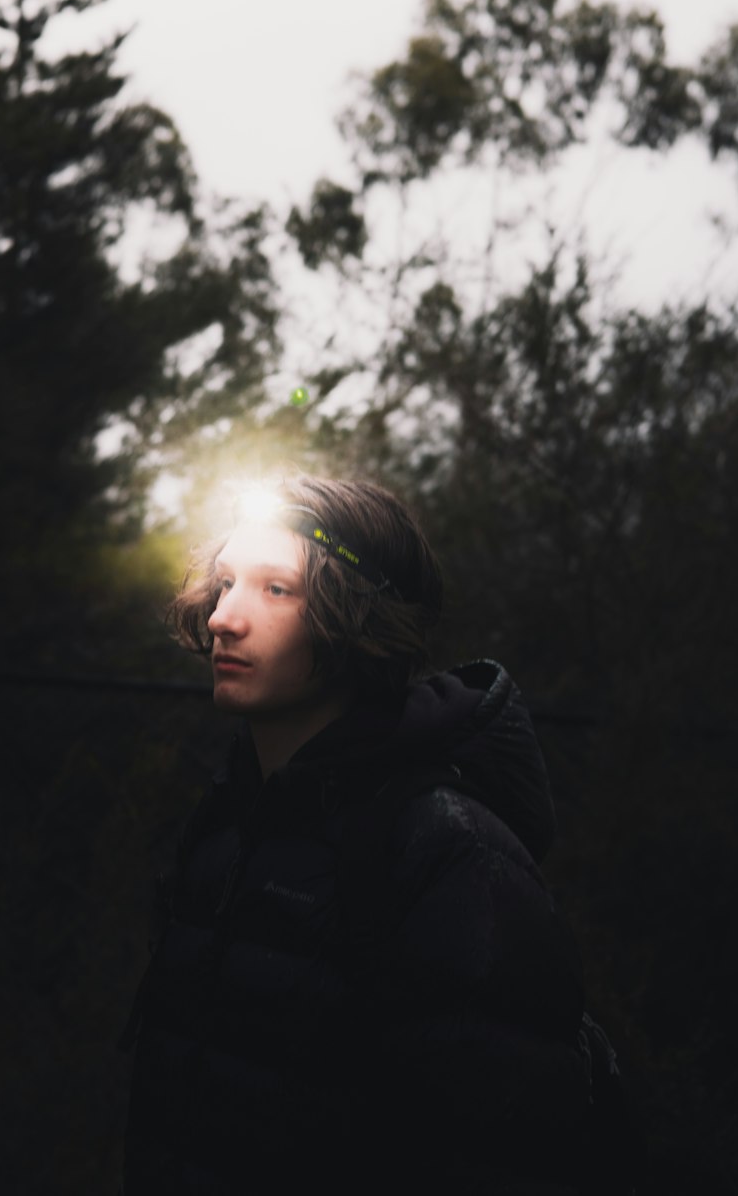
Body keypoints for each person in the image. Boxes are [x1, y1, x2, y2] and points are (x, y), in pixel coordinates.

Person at [121, 475, 617, 1195]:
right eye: (225, 583)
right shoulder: (229, 823)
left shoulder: (447, 853)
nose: (226, 617)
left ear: (356, 617)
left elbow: (494, 1157)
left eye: (276, 590)